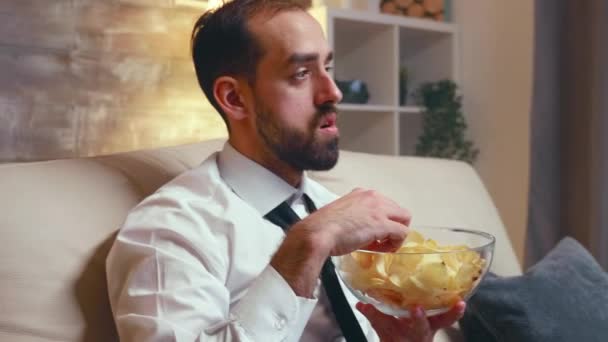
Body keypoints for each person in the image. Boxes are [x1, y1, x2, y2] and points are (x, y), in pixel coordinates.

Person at [106, 1, 465, 341]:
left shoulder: (332, 208)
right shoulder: (169, 231)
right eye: (301, 73)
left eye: (328, 68)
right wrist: (306, 245)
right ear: (234, 98)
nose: (333, 92)